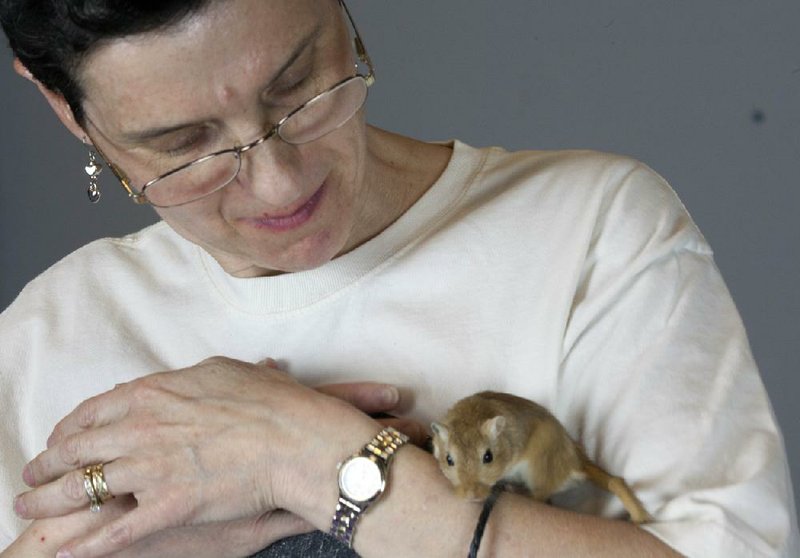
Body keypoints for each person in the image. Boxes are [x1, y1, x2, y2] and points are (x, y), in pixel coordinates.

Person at [0, 1, 797, 556]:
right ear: (68, 111)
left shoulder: (590, 229)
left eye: (298, 83)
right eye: (185, 143)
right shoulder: (49, 334)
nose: (278, 183)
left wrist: (307, 456)